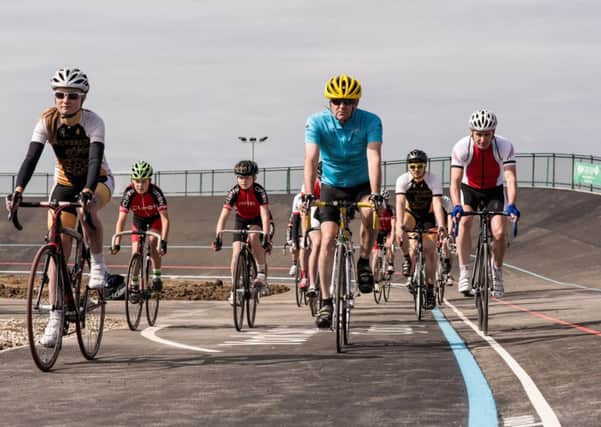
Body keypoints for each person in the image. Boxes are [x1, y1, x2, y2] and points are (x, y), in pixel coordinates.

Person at [6, 67, 114, 347]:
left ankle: (99, 265)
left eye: (72, 96)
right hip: (65, 182)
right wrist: (18, 190)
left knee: (85, 209)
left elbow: (94, 159)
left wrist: (89, 190)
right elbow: (30, 158)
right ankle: (56, 315)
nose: (65, 100)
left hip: (97, 179)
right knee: (57, 245)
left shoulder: (93, 122)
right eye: (60, 95)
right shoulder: (47, 121)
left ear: (83, 98)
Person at [303, 74, 383, 328]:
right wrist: (308, 191)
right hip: (332, 185)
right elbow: (311, 159)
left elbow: (374, 156)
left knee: (370, 213)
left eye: (347, 102)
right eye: (336, 101)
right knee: (327, 238)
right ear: (329, 102)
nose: (341, 106)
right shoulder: (316, 122)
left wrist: (377, 192)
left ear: (356, 103)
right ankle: (326, 301)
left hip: (361, 184)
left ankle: (362, 262)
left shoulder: (371, 121)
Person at [450, 109, 519, 298]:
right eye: (479, 134)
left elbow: (510, 178)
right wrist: (457, 205)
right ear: (471, 132)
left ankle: (496, 270)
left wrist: (511, 204)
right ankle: (464, 272)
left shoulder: (504, 146)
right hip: (469, 189)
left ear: (493, 133)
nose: (482, 139)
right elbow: (455, 182)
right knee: (465, 221)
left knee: (499, 232)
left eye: (487, 134)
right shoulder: (461, 147)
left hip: (493, 191)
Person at [212, 160, 272, 302]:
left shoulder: (259, 191)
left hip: (258, 220)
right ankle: (234, 288)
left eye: (247, 177)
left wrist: (266, 236)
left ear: (254, 178)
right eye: (240, 177)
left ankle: (262, 274)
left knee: (253, 237)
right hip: (241, 220)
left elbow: (265, 215)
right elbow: (223, 216)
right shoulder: (234, 192)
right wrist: (218, 236)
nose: (243, 181)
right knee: (236, 253)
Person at [395, 150, 446, 309]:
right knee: (402, 226)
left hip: (428, 215)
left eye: (419, 166)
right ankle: (406, 258)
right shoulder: (403, 180)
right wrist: (398, 226)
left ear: (425, 166)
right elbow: (400, 203)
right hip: (411, 214)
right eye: (412, 166)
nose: (416, 169)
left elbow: (437, 203)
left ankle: (430, 289)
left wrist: (441, 224)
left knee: (430, 252)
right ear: (408, 167)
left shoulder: (434, 179)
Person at [111, 161, 169, 295]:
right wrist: (117, 243)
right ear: (132, 180)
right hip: (138, 220)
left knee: (152, 243)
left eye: (143, 182)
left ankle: (156, 276)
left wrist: (164, 242)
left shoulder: (156, 193)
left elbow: (165, 219)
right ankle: (135, 283)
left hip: (155, 219)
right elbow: (121, 220)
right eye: (137, 181)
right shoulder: (129, 193)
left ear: (149, 181)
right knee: (136, 251)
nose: (140, 185)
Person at [371, 190, 396, 279]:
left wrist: (391, 240)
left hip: (388, 230)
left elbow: (393, 227)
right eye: (383, 200)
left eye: (387, 201)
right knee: (375, 254)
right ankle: (373, 277)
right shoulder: (376, 210)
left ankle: (390, 263)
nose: (385, 203)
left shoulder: (391, 210)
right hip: (379, 231)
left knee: (390, 245)